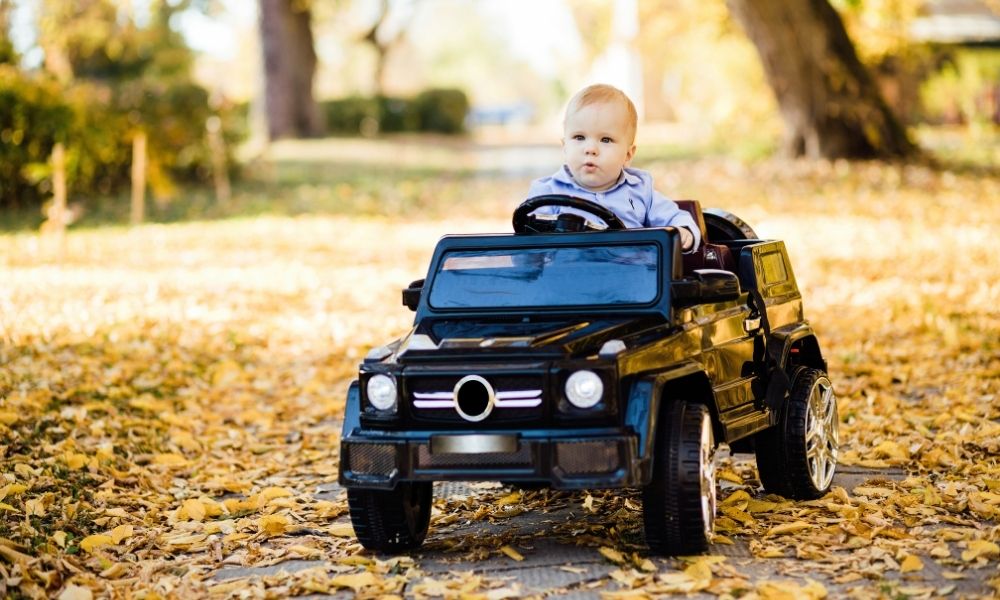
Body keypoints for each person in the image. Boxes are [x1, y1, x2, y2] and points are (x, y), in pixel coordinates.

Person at [526, 84, 700, 252]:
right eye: (579, 137)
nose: (590, 149)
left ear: (628, 155)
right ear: (565, 146)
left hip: (630, 277)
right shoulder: (546, 194)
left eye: (605, 140)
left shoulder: (640, 192)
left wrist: (684, 231)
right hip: (567, 278)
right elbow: (526, 250)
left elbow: (675, 216)